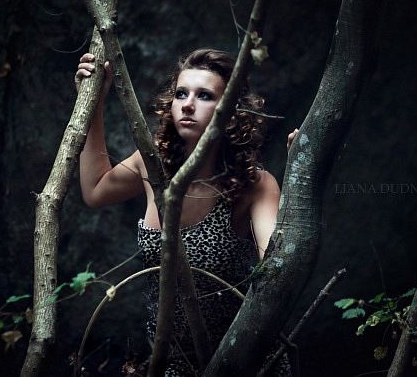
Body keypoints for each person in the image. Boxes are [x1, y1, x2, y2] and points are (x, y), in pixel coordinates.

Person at [76, 48, 297, 376]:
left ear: (231, 112)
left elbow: (276, 270)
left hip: (242, 359)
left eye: (204, 95)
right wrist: (93, 101)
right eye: (181, 94)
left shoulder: (255, 184)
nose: (188, 104)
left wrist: (299, 181)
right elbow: (95, 190)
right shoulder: (152, 163)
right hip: (172, 360)